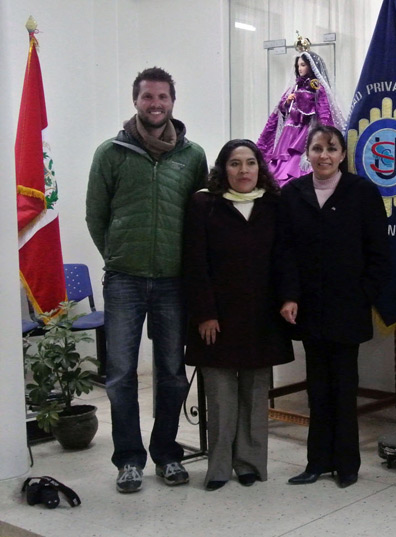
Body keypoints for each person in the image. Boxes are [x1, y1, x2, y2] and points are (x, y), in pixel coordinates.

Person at [86, 67, 208, 493]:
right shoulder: (111, 153)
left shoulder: (193, 156)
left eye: (162, 97)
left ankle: (167, 454)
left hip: (174, 281)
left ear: (173, 101)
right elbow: (95, 215)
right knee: (121, 374)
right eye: (147, 97)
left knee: (172, 373)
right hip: (124, 280)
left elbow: (200, 219)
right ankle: (129, 459)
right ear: (135, 101)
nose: (155, 104)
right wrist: (117, 256)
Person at [277, 125, 390, 489]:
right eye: (317, 148)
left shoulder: (362, 192)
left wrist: (364, 294)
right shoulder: (292, 194)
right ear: (307, 153)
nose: (324, 155)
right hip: (309, 307)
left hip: (348, 306)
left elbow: (379, 253)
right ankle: (317, 462)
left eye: (331, 148)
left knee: (344, 386)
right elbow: (285, 252)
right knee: (317, 388)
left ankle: (347, 464)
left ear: (343, 154)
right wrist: (289, 295)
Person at [182, 139, 294, 491]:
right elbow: (195, 262)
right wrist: (204, 313)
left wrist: (289, 297)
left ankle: (249, 464)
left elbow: (285, 257)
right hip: (216, 317)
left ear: (260, 167)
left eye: (250, 163)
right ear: (223, 169)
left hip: (262, 315)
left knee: (255, 394)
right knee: (220, 396)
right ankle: (218, 467)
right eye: (235, 163)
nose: (243, 170)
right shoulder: (204, 204)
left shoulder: (273, 204)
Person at [256, 51, 346, 186]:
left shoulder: (317, 87)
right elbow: (281, 110)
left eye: (303, 65)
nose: (300, 68)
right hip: (289, 130)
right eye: (298, 65)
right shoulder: (295, 87)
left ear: (311, 66)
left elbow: (322, 109)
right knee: (283, 158)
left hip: (305, 130)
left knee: (298, 158)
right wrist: (287, 102)